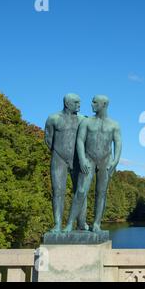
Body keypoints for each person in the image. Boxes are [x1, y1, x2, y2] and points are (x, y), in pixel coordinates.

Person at [64, 95, 121, 232]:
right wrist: (82, 158)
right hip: (89, 159)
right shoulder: (87, 122)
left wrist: (115, 160)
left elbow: (118, 143)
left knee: (101, 193)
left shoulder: (114, 124)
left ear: (104, 104)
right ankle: (70, 224)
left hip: (106, 161)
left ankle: (96, 224)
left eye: (95, 102)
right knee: (81, 191)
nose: (92, 104)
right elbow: (80, 140)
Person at [44, 93, 88, 233]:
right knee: (58, 191)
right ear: (68, 103)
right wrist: (59, 151)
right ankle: (57, 224)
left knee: (80, 191)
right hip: (59, 158)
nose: (79, 105)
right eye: (76, 102)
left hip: (77, 159)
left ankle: (81, 223)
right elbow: (48, 139)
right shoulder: (53, 119)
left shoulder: (82, 120)